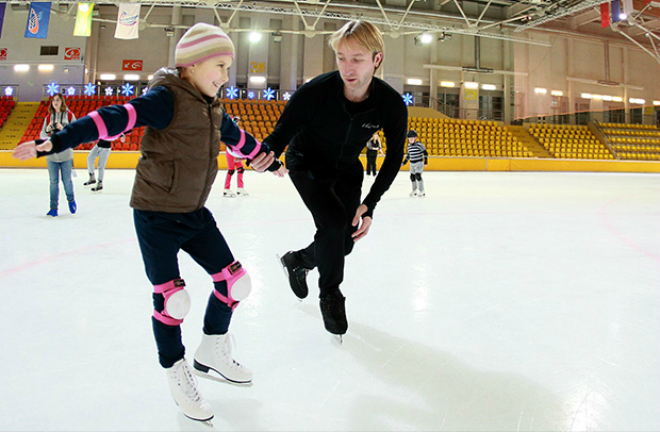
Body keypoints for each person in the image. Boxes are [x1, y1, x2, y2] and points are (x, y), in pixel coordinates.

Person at [14, 23, 284, 422]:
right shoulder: (165, 98)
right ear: (191, 65)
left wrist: (269, 159)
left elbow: (239, 139)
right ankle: (176, 371)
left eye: (228, 68)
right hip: (155, 214)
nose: (226, 77)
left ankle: (212, 349)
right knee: (174, 300)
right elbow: (113, 119)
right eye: (221, 66)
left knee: (235, 282)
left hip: (193, 213)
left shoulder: (213, 108)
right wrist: (56, 141)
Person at [259, 20, 408, 340]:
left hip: (346, 171)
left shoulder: (390, 104)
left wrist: (369, 205)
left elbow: (395, 157)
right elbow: (279, 136)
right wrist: (264, 156)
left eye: (357, 58)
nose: (347, 67)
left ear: (376, 59)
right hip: (306, 164)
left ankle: (298, 261)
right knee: (331, 225)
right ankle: (330, 295)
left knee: (344, 243)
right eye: (341, 57)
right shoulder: (315, 93)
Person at [40, 94, 77, 217]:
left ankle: (71, 200)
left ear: (62, 102)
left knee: (66, 181)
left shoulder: (70, 115)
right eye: (53, 100)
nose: (55, 102)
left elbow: (76, 132)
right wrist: (47, 130)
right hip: (51, 154)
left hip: (65, 153)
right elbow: (42, 136)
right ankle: (53, 207)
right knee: (53, 182)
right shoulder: (48, 117)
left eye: (58, 100)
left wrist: (63, 128)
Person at [223, 117, 248, 197]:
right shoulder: (230, 131)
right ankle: (226, 189)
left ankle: (240, 188)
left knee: (240, 169)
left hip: (235, 152)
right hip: (230, 151)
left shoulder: (236, 131)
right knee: (231, 170)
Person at [401, 129, 428, 197]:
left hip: (419, 162)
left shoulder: (419, 145)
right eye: (409, 138)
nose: (410, 139)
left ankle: (422, 191)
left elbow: (425, 152)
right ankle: (414, 190)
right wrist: (404, 162)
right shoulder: (409, 146)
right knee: (412, 177)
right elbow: (408, 155)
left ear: (415, 138)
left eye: (412, 138)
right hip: (412, 163)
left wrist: (426, 161)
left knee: (418, 175)